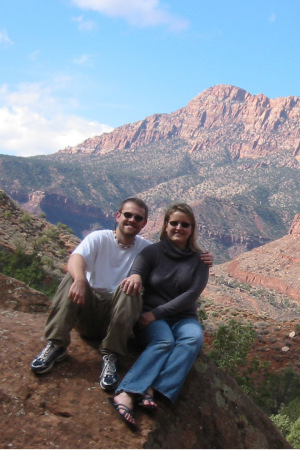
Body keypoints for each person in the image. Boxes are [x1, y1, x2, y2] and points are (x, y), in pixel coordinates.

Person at [30, 198, 213, 391]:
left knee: (130, 288)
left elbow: (173, 258)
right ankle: (56, 344)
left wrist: (203, 257)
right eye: (128, 215)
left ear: (144, 224)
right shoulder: (99, 238)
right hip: (88, 309)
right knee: (72, 278)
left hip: (117, 319)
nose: (132, 220)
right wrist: (80, 280)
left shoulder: (147, 249)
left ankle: (111, 355)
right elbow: (76, 258)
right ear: (118, 216)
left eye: (138, 218)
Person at [109, 203, 209, 429]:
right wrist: (135, 277)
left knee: (193, 339)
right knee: (164, 341)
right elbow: (137, 271)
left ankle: (152, 388)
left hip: (183, 317)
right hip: (151, 315)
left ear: (192, 229)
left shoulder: (200, 260)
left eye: (185, 224)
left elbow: (191, 295)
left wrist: (157, 313)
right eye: (174, 223)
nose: (179, 227)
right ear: (165, 225)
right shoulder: (152, 252)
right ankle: (125, 393)